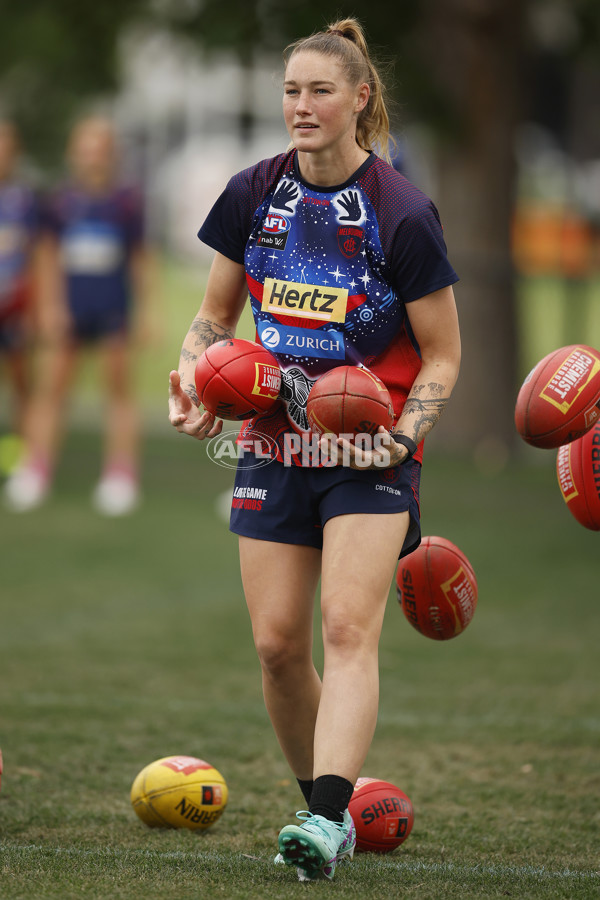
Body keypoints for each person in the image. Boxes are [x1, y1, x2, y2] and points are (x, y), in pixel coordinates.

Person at [169, 18, 461, 881]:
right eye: (292, 90)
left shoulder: (402, 211)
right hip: (272, 441)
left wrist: (406, 436)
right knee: (276, 645)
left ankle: (328, 820)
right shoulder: (253, 193)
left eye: (320, 90)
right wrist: (191, 378)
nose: (302, 105)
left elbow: (443, 353)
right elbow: (213, 321)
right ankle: (317, 809)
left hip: (374, 449)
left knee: (345, 627)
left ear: (360, 99)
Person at [4, 116, 150, 515]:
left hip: (113, 308)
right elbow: (45, 257)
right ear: (74, 154)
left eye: (100, 149)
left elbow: (139, 259)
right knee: (50, 390)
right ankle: (35, 469)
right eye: (86, 149)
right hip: (68, 310)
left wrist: (144, 311)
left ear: (112, 154)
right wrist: (49, 307)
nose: (93, 157)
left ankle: (120, 475)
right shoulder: (58, 202)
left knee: (119, 391)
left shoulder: (126, 202)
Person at [0, 121, 39, 458]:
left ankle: (22, 456)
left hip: (12, 307)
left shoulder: (23, 200)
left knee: (21, 382)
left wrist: (32, 309)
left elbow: (36, 257)